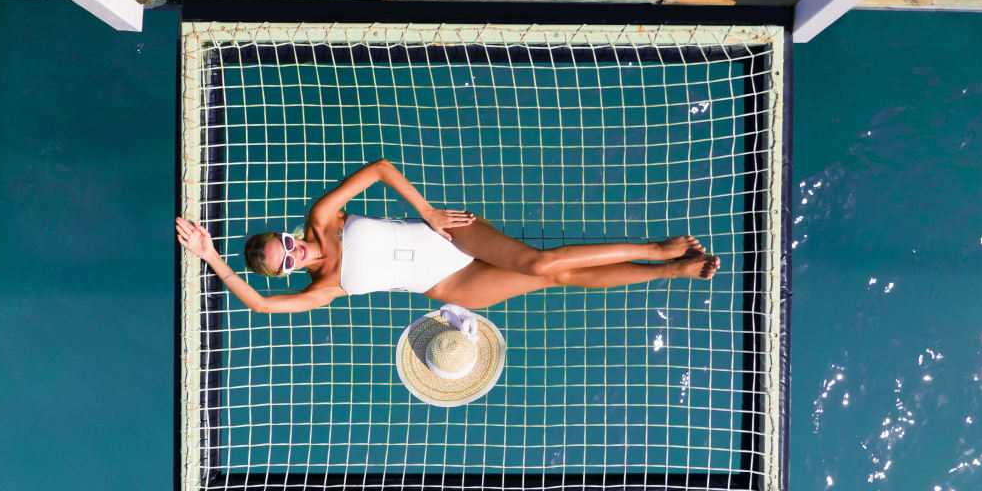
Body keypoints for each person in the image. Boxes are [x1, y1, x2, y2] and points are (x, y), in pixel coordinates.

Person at [174, 159, 718, 313]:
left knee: (539, 262)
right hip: (449, 287)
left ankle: (655, 249)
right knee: (561, 279)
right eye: (287, 262)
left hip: (452, 238)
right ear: (286, 273)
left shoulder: (323, 216)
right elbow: (261, 305)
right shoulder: (325, 288)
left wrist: (429, 212)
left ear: (287, 233)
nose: (296, 252)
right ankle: (673, 271)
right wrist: (210, 257)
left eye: (286, 243)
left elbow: (381, 169)